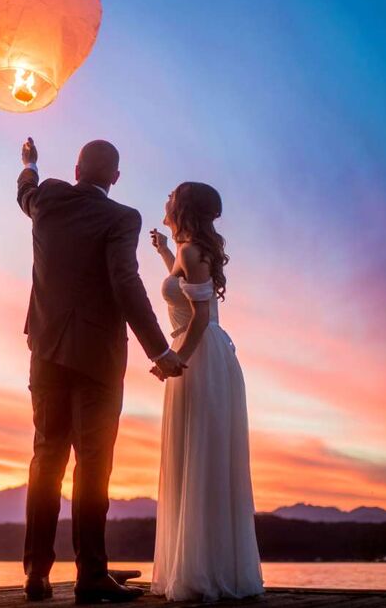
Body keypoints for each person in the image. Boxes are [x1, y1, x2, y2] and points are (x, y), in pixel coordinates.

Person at [16, 137, 184, 603]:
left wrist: (29, 163)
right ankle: (91, 575)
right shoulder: (121, 217)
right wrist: (157, 349)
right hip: (97, 360)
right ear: (114, 177)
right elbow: (124, 282)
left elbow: (24, 191)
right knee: (93, 466)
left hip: (46, 350)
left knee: (45, 459)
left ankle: (37, 576)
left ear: (75, 168)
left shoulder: (46, 196)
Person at [148, 182, 264, 601]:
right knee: (195, 457)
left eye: (169, 197)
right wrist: (164, 252)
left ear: (181, 207)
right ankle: (201, 563)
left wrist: (177, 360)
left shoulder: (192, 251)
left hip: (198, 356)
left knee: (200, 457)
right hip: (203, 352)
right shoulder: (189, 252)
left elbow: (197, 316)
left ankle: (202, 573)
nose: (163, 202)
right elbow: (183, 291)